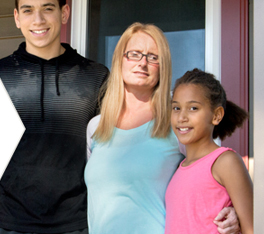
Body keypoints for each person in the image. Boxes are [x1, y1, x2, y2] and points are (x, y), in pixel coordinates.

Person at [0, 0, 109, 234]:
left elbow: (110, 156)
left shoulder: (96, 77)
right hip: (1, 224)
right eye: (28, 10)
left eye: (47, 9)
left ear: (64, 14)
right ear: (17, 17)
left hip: (74, 226)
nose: (38, 20)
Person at [84, 22, 241, 234]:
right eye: (134, 54)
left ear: (163, 66)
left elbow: (214, 172)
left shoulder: (175, 120)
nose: (143, 63)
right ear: (119, 59)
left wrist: (232, 211)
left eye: (153, 57)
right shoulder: (96, 127)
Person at [165, 68, 253, 234]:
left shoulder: (225, 162)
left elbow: (252, 228)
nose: (182, 117)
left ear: (216, 115)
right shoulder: (179, 168)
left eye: (193, 108)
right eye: (176, 108)